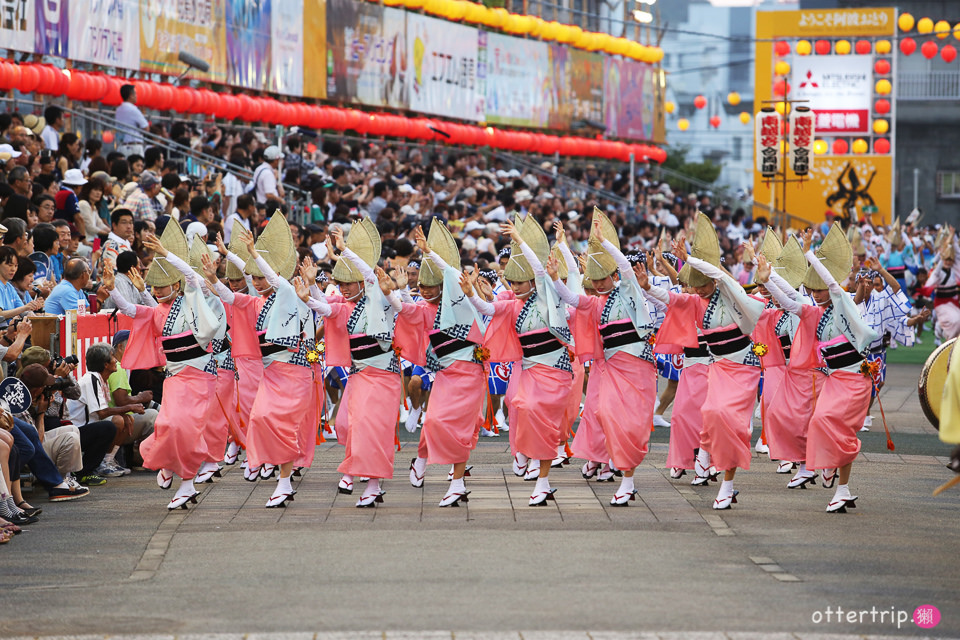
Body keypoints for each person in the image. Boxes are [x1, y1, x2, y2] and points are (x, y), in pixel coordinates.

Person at [646, 213, 765, 509]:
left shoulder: (732, 294)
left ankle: (727, 483)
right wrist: (647, 286)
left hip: (744, 366)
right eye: (694, 285)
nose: (697, 290)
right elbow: (671, 299)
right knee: (711, 414)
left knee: (730, 420)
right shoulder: (697, 303)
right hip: (718, 368)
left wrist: (688, 258)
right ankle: (706, 462)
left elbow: (722, 276)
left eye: (702, 284)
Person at [758, 225, 877, 513]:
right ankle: (830, 472)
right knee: (819, 422)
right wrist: (768, 278)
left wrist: (811, 255)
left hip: (856, 377)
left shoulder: (844, 303)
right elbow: (789, 302)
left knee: (839, 429)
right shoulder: (816, 312)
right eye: (814, 289)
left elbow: (834, 287)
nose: (816, 292)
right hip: (835, 378)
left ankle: (842, 487)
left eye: (820, 287)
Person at [103, 222, 221, 510]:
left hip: (201, 376)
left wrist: (167, 253)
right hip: (176, 378)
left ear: (176, 284)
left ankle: (187, 484)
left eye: (162, 285)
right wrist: (111, 290)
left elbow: (192, 277)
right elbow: (132, 311)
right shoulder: (158, 313)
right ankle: (170, 467)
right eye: (153, 286)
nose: (156, 290)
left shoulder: (193, 300)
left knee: (187, 429)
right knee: (168, 424)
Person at [201, 215, 315, 508]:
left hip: (296, 372)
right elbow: (230, 296)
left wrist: (253, 254)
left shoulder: (289, 294)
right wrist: (213, 278)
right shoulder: (255, 302)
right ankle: (269, 468)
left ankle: (284, 481)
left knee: (283, 425)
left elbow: (277, 280)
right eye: (255, 278)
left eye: (261, 277)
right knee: (261, 419)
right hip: (271, 374)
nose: (257, 281)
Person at [463, 216, 573, 506]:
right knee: (519, 406)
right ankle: (524, 452)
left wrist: (519, 240)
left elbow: (539, 271)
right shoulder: (513, 305)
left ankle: (543, 480)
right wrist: (471, 293)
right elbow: (488, 308)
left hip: (556, 368)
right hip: (530, 369)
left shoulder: (549, 298)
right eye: (511, 281)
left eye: (520, 281)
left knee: (543, 417)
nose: (514, 285)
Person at [553, 212, 658, 505]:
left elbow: (624, 266)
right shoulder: (596, 303)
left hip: (638, 367)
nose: (598, 284)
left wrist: (604, 243)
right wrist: (553, 278)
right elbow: (572, 298)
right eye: (594, 280)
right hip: (611, 368)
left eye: (603, 278)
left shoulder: (629, 291)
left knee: (631, 425)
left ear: (613, 276)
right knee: (606, 415)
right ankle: (620, 474)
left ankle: (627, 479)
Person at [396, 223, 486, 506]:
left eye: (428, 285)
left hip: (471, 373)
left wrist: (428, 251)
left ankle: (457, 483)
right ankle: (421, 459)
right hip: (446, 375)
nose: (422, 289)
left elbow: (452, 273)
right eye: (420, 285)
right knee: (434, 422)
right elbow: (405, 310)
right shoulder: (424, 309)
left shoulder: (463, 302)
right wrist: (396, 292)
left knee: (459, 429)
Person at [0, 245, 44, 326]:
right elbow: (0, 314)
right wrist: (25, 307)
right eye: (10, 265)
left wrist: (34, 309)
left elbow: (23, 311)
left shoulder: (9, 287)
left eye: (16, 266)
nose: (13, 269)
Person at [116, 84, 150, 157]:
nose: (136, 96)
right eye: (135, 93)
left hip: (122, 145)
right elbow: (146, 127)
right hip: (134, 146)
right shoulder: (133, 109)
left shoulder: (118, 109)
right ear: (131, 95)